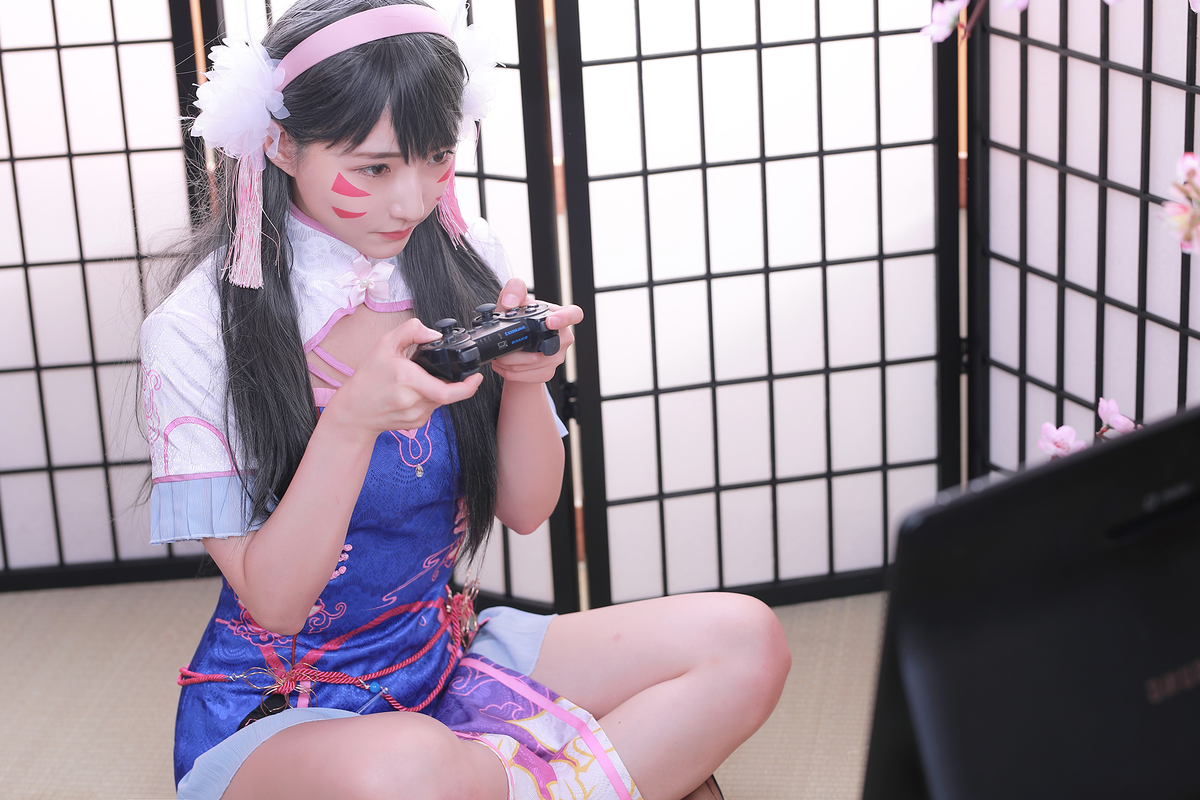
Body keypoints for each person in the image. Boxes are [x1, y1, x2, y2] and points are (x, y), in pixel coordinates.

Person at [140, 1, 791, 798]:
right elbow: (275, 602)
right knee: (413, 767)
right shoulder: (199, 328)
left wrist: (527, 382)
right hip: (285, 706)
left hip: (443, 654)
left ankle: (501, 780)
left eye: (437, 157)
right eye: (375, 168)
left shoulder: (461, 254)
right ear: (280, 144)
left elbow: (526, 509)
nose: (413, 202)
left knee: (745, 640)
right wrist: (351, 422)